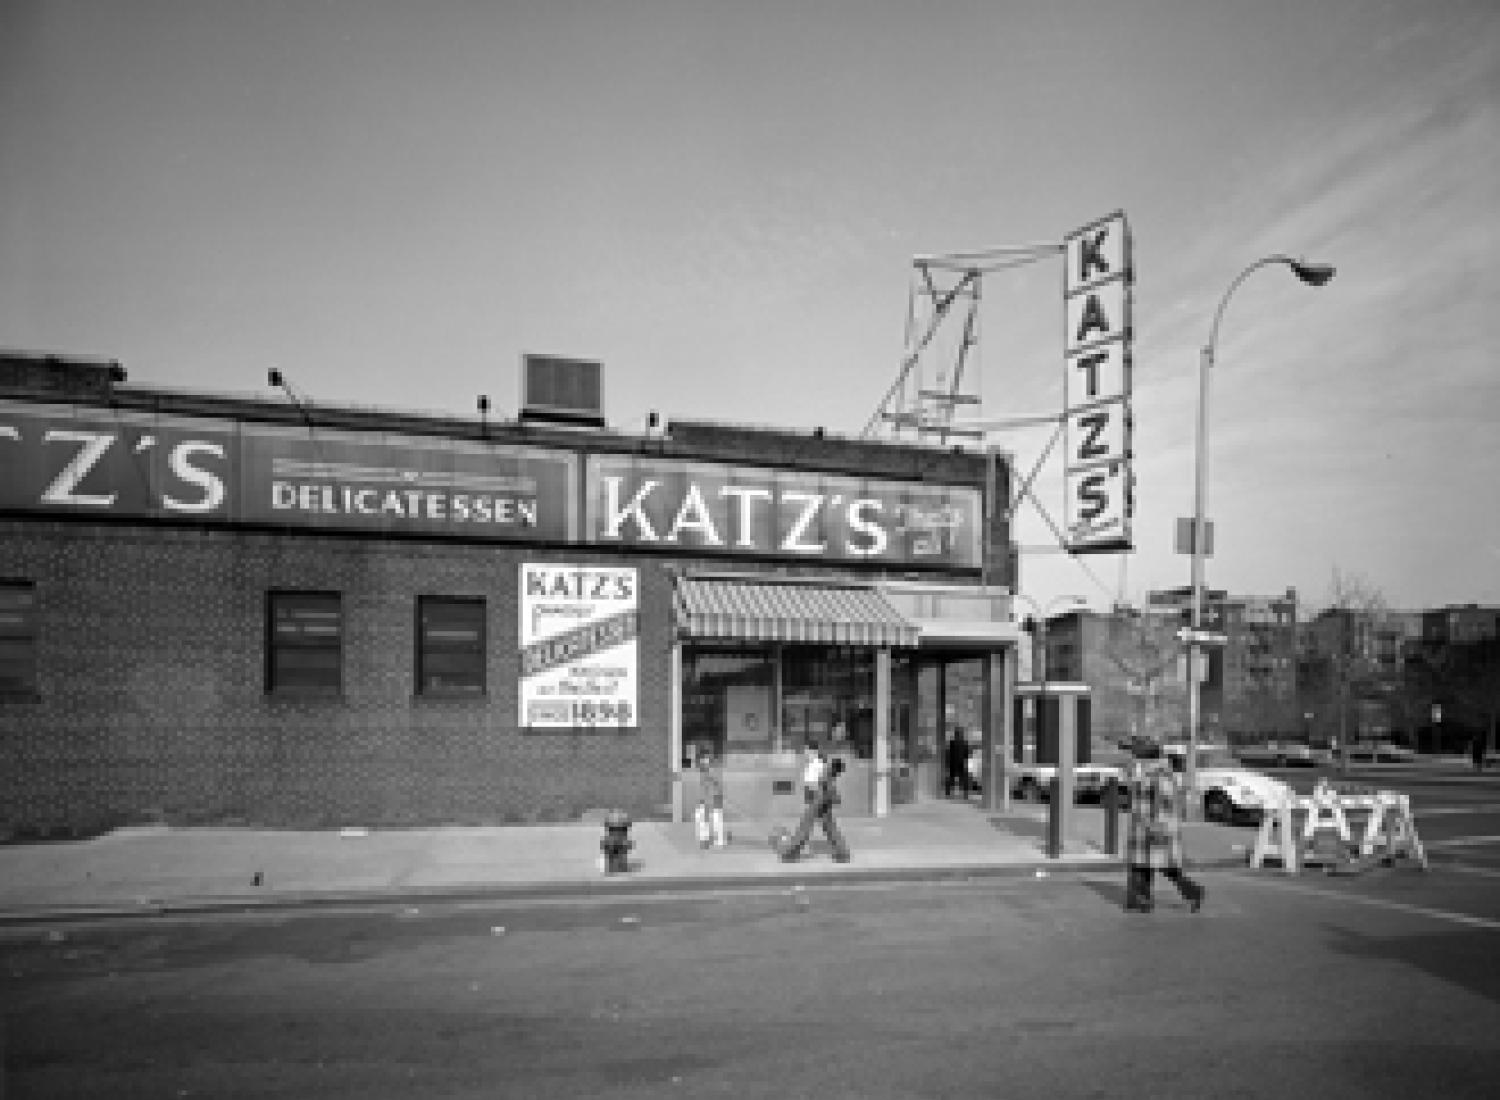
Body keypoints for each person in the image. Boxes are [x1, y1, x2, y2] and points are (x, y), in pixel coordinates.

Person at [1124, 737, 1205, 914]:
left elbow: (1166, 803)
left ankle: (1193, 891)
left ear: (1144, 756)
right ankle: (1141, 900)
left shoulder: (1160, 775)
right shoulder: (1144, 772)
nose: (1131, 756)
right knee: (1141, 865)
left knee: (1167, 868)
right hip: (1143, 828)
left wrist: (1157, 826)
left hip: (1155, 828)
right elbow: (1138, 795)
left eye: (1134, 753)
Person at [778, 757, 850, 863]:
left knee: (805, 826)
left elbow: (825, 787)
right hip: (822, 802)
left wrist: (830, 797)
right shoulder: (827, 772)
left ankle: (791, 853)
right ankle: (842, 853)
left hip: (818, 802)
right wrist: (833, 797)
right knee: (830, 828)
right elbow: (827, 788)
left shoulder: (826, 772)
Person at [693, 750, 727, 849]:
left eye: (706, 759)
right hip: (704, 799)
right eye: (702, 760)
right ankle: (704, 840)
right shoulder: (701, 772)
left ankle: (718, 840)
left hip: (714, 798)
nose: (704, 761)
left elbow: (717, 784)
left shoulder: (714, 771)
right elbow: (702, 787)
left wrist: (712, 780)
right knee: (702, 818)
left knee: (716, 818)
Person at [801, 738, 828, 807]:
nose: (805, 754)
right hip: (810, 789)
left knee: (815, 807)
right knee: (810, 807)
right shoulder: (809, 763)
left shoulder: (819, 763)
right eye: (805, 752)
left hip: (816, 790)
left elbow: (822, 780)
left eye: (807, 751)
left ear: (814, 752)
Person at [945, 727, 970, 798]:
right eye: (957, 734)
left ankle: (965, 794)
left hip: (958, 763)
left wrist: (966, 762)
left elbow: (966, 754)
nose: (958, 735)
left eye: (958, 734)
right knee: (953, 779)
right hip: (955, 763)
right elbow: (949, 753)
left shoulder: (957, 743)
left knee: (961, 779)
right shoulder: (953, 743)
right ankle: (949, 793)